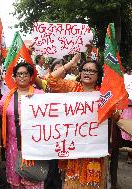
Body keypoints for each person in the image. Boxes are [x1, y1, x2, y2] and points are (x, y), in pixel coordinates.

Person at [45, 54, 109, 188]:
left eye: (92, 71)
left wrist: (113, 112)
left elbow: (115, 116)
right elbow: (50, 79)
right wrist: (71, 63)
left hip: (93, 149)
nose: (88, 73)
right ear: (80, 72)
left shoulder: (104, 95)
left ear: (98, 75)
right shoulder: (72, 87)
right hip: (73, 147)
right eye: (85, 70)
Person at [0, 62, 44, 189]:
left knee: (33, 182)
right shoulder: (7, 96)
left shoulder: (40, 95)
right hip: (13, 147)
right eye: (18, 74)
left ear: (30, 77)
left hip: (33, 147)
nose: (22, 77)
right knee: (15, 184)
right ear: (15, 77)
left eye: (25, 74)